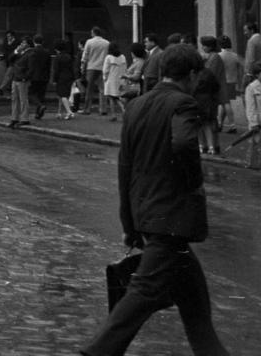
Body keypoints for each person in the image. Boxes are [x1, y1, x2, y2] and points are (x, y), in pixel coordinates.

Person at [80, 44, 230, 356]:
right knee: (145, 289)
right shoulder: (184, 104)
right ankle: (97, 352)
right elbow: (184, 143)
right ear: (190, 74)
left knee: (195, 301)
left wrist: (128, 222)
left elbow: (125, 168)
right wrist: (194, 182)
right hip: (172, 217)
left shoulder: (136, 106)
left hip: (146, 213)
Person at [193, 39, 224, 156]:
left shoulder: (196, 74)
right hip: (209, 99)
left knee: (201, 124)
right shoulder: (208, 72)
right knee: (208, 123)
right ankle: (212, 146)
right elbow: (216, 85)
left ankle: (203, 146)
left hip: (199, 100)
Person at [82, 27, 110, 115]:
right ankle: (103, 109)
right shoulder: (107, 43)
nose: (91, 34)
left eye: (91, 33)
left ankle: (87, 109)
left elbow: (85, 55)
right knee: (102, 89)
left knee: (89, 89)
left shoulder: (89, 42)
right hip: (102, 67)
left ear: (94, 33)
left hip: (91, 67)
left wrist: (82, 66)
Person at [27, 34, 53, 120]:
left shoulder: (31, 51)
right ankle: (38, 113)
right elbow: (49, 66)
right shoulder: (47, 52)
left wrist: (28, 76)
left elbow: (31, 65)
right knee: (41, 95)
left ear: (33, 42)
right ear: (42, 42)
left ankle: (40, 106)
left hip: (34, 76)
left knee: (31, 93)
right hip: (44, 76)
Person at [52, 40, 77, 120]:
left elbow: (56, 70)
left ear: (56, 49)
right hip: (69, 77)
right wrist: (73, 77)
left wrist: (54, 80)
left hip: (60, 78)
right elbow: (71, 68)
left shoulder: (57, 58)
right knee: (65, 95)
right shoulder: (68, 56)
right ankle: (59, 113)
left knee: (62, 95)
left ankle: (69, 111)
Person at [103, 42, 129, 121]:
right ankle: (122, 109)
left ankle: (115, 113)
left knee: (111, 96)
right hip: (121, 79)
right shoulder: (123, 57)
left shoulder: (109, 57)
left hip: (111, 79)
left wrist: (104, 78)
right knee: (117, 96)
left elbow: (105, 70)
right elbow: (126, 68)